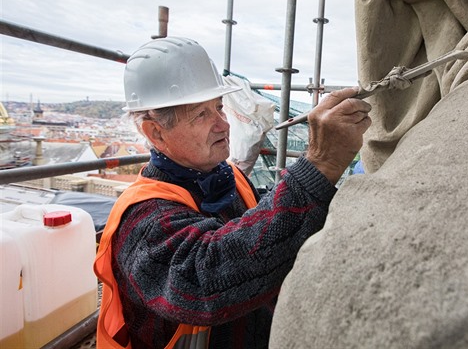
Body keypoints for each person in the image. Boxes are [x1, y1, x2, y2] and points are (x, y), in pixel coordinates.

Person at [93, 36, 372, 349]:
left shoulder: (231, 177)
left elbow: (260, 233)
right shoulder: (143, 221)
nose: (223, 124)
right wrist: (319, 165)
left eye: (219, 108)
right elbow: (208, 277)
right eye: (201, 114)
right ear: (155, 132)